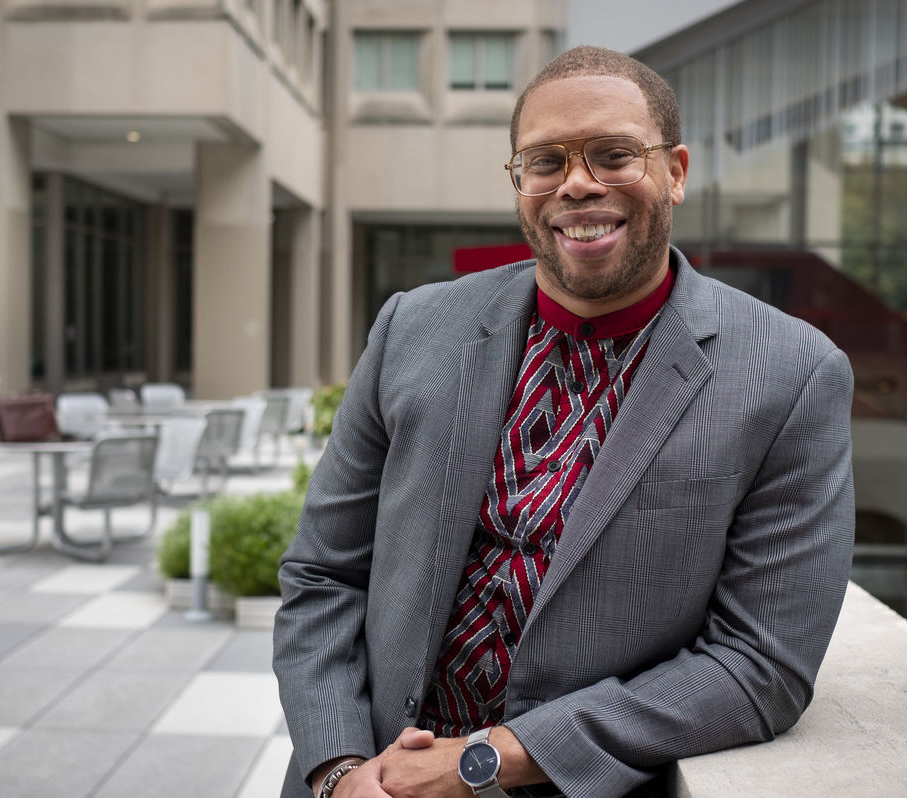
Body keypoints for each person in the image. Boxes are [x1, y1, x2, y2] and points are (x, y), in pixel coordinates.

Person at [273, 45, 855, 798]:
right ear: (519, 182)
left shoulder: (793, 374)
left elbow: (760, 665)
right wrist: (341, 769)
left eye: (614, 154)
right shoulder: (412, 328)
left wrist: (485, 759)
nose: (577, 184)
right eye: (545, 160)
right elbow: (323, 571)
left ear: (675, 172)